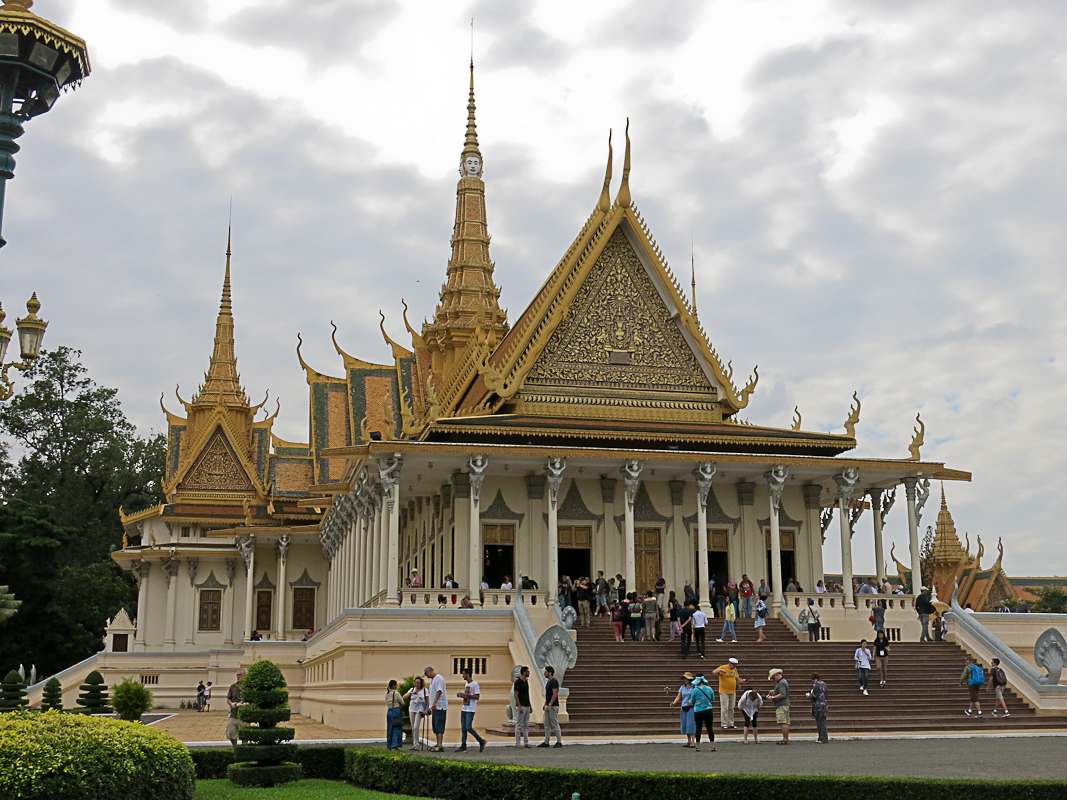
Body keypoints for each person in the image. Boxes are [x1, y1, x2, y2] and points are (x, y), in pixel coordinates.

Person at [455, 666, 487, 752]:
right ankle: (463, 745)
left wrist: (466, 695)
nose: (463, 676)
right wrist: (462, 695)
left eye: (464, 674)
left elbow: (477, 697)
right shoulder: (467, 684)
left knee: (468, 727)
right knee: (463, 728)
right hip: (465, 708)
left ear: (468, 674)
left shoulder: (475, 684)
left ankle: (480, 740)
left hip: (471, 709)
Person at [713, 657, 744, 729]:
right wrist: (720, 670)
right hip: (724, 691)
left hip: (732, 691)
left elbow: (737, 678)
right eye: (734, 665)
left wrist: (743, 680)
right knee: (725, 707)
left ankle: (731, 723)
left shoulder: (734, 670)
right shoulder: (723, 667)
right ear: (730, 663)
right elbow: (714, 671)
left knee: (731, 707)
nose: (734, 666)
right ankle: (724, 723)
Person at [424, 666, 448, 752]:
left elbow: (439, 691)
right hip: (435, 707)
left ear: (430, 671)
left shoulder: (439, 678)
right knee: (435, 726)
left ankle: (440, 745)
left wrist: (435, 702)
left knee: (439, 725)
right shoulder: (433, 680)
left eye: (426, 674)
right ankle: (438, 743)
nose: (426, 676)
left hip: (440, 706)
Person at [538, 665, 563, 748]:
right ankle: (546, 741)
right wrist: (545, 704)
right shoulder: (549, 682)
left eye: (545, 672)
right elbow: (549, 695)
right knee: (547, 724)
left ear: (550, 672)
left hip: (553, 705)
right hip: (548, 705)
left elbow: (555, 693)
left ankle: (559, 741)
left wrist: (550, 704)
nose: (544, 674)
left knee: (554, 723)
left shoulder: (554, 682)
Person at [671, 671, 697, 748]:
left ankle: (693, 741)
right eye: (684, 679)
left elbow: (696, 695)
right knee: (685, 724)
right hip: (684, 706)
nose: (685, 680)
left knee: (691, 724)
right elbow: (678, 696)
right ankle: (688, 740)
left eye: (687, 679)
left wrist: (692, 701)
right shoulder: (682, 687)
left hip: (691, 707)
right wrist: (674, 702)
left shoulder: (694, 687)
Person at [690, 675, 716, 752]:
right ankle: (712, 745)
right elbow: (712, 698)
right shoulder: (709, 688)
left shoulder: (695, 690)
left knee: (698, 728)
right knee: (710, 728)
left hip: (698, 710)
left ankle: (698, 746)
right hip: (708, 709)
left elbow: (692, 700)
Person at [404, 676, 429, 750]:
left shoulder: (425, 690)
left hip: (419, 710)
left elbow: (427, 700)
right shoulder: (412, 689)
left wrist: (426, 709)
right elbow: (404, 697)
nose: (416, 684)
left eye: (418, 683)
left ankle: (417, 744)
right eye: (415, 683)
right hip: (411, 709)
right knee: (413, 727)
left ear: (421, 683)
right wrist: (412, 693)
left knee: (416, 727)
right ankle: (414, 744)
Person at [766, 668, 790, 744]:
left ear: (777, 675)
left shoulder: (781, 683)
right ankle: (786, 738)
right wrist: (774, 691)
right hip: (785, 704)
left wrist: (772, 697)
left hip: (781, 705)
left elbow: (782, 694)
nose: (773, 680)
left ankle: (785, 739)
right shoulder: (782, 682)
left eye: (773, 678)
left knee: (782, 722)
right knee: (785, 722)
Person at [807, 673, 829, 743]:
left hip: (818, 705)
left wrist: (809, 695)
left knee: (819, 722)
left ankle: (822, 738)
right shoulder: (824, 684)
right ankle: (824, 737)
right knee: (823, 722)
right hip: (824, 704)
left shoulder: (816, 685)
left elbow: (814, 696)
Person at [226, 669, 246, 746]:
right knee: (231, 732)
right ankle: (235, 748)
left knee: (245, 735)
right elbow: (228, 699)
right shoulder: (233, 687)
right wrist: (231, 704)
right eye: (237, 675)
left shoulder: (248, 687)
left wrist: (246, 704)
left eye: (240, 675)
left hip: (244, 715)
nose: (238, 676)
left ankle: (244, 749)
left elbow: (252, 700)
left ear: (244, 676)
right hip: (233, 714)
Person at [513, 665, 532, 747]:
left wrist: (530, 705)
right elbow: (516, 695)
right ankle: (518, 742)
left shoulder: (526, 682)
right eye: (527, 671)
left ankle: (526, 742)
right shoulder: (518, 682)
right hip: (521, 705)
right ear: (524, 672)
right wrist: (519, 706)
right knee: (519, 725)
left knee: (526, 725)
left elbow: (527, 694)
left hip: (527, 705)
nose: (529, 673)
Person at [385, 680, 404, 749]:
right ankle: (395, 744)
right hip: (396, 711)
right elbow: (402, 702)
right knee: (397, 728)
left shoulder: (387, 694)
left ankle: (389, 744)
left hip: (389, 711)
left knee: (390, 728)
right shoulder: (396, 693)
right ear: (394, 686)